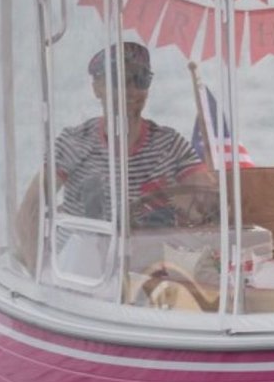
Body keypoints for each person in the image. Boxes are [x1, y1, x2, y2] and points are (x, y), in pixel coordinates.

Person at [15, 42, 214, 275]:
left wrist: (202, 196)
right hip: (78, 273)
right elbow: (30, 210)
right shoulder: (74, 143)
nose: (130, 90)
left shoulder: (170, 145)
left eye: (140, 79)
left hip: (149, 272)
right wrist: (41, 275)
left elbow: (208, 201)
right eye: (118, 80)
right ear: (97, 88)